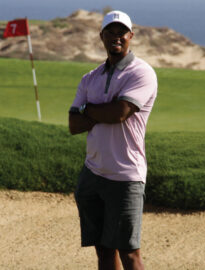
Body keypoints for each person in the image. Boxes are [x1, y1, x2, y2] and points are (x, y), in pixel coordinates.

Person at [68, 10, 158, 270]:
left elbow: (120, 113)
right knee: (104, 251)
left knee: (130, 254)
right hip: (93, 173)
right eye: (111, 32)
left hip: (125, 175)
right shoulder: (90, 77)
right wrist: (100, 112)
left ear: (131, 36)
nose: (116, 37)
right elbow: (74, 124)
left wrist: (88, 111)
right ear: (102, 36)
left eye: (122, 32)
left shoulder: (142, 73)